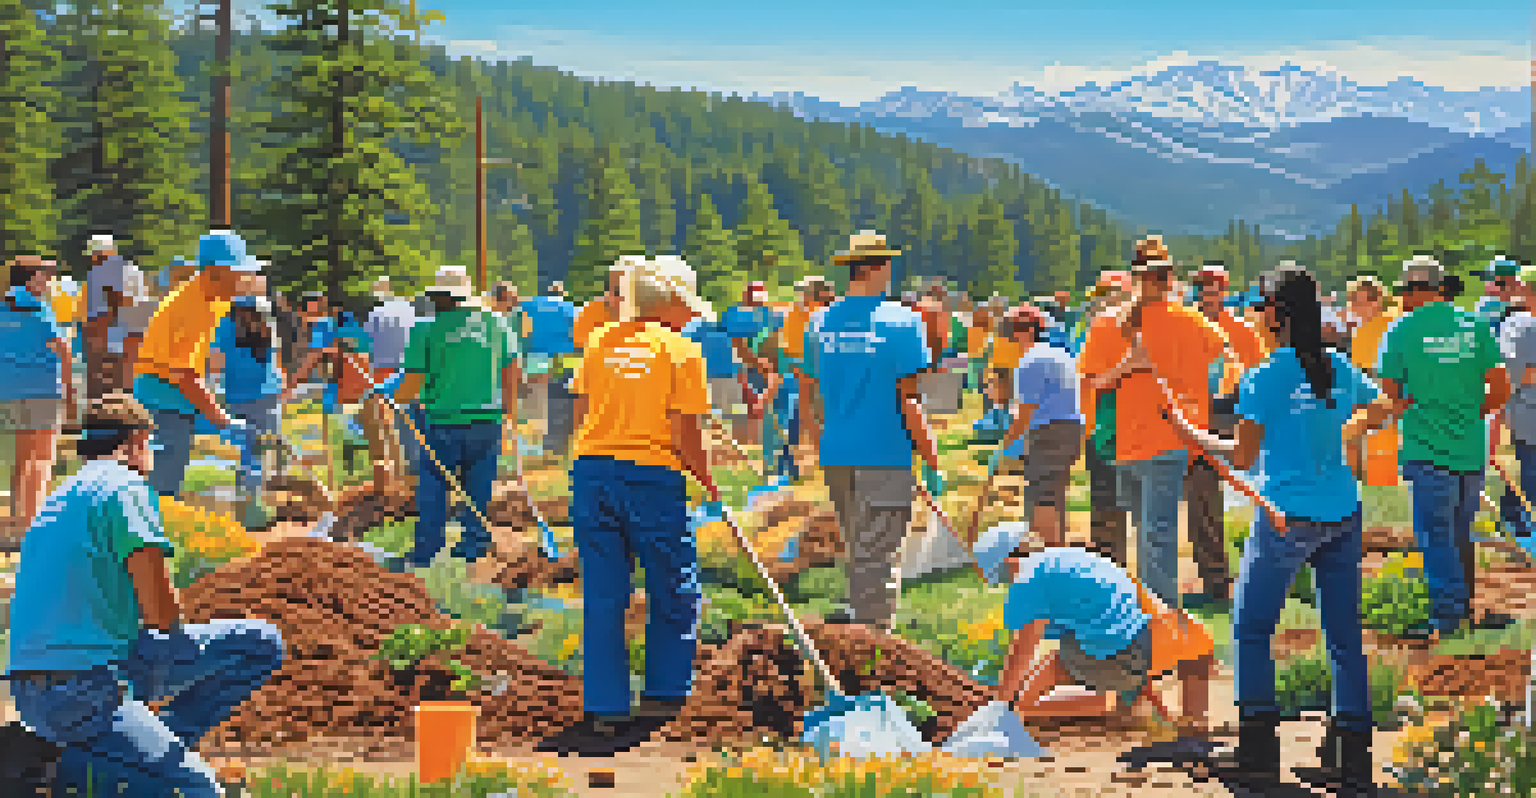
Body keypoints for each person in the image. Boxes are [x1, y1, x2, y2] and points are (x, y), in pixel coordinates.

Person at [4, 393, 284, 796]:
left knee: (254, 643)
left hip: (32, 691)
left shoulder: (60, 497)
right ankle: (86, 769)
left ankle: (130, 757)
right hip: (86, 688)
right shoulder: (126, 487)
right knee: (202, 791)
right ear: (136, 441)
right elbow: (161, 615)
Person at [1184, 264, 1390, 794]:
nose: (1254, 315)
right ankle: (1353, 762)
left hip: (1286, 516)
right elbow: (1383, 408)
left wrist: (1198, 438)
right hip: (1343, 512)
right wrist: (1350, 429)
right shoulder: (1337, 365)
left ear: (1275, 313)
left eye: (1258, 306)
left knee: (1252, 629)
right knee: (1345, 638)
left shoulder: (1268, 375)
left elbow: (1245, 453)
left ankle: (1256, 755)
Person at [543, 255, 718, 755]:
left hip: (593, 474)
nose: (692, 316)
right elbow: (686, 433)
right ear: (669, 303)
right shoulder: (682, 352)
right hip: (652, 478)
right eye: (688, 306)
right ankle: (665, 695)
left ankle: (604, 707)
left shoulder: (600, 343)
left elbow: (582, 411)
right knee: (674, 586)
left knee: (604, 594)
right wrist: (708, 481)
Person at [1077, 236, 1227, 607]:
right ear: (1170, 277)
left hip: (1123, 444)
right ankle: (1160, 619)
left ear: (1134, 277)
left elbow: (1092, 378)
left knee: (1141, 531)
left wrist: (1127, 368)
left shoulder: (1107, 323)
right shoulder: (1189, 320)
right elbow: (1220, 351)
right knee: (1157, 534)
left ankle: (1143, 611)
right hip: (1170, 440)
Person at [802, 231, 937, 631]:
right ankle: (871, 650)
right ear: (880, 268)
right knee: (879, 556)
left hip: (838, 452)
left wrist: (820, 441)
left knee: (859, 549)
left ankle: (857, 625)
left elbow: (811, 395)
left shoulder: (819, 320)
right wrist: (931, 460)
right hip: (886, 453)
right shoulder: (903, 321)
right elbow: (909, 400)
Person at [1377, 254, 1510, 636]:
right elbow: (1500, 388)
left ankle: (1447, 616)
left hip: (1427, 449)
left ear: (1418, 290)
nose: (1401, 298)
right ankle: (1465, 606)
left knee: (1436, 536)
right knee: (1458, 532)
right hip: (1471, 448)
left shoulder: (1402, 330)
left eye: (1404, 290)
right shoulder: (1474, 324)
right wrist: (1470, 412)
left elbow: (1390, 395)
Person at [995, 546, 1214, 736]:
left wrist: (1001, 703)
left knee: (1055, 663)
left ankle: (1013, 713)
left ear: (1008, 562)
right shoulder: (1074, 560)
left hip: (1132, 654)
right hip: (1175, 643)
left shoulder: (1030, 578)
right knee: (1109, 650)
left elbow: (1022, 650)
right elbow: (1140, 628)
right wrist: (1164, 708)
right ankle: (1182, 718)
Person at [392, 265, 519, 572]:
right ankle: (472, 547)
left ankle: (427, 551)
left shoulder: (426, 329)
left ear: (439, 297)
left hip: (442, 422)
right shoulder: (496, 323)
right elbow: (511, 369)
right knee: (478, 487)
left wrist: (394, 400)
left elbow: (411, 383)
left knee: (434, 487)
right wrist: (509, 412)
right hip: (487, 421)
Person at [132, 231, 263, 498]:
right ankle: (149, 530)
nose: (243, 278)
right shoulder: (188, 308)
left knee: (173, 464)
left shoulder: (212, 297)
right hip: (162, 397)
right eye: (238, 272)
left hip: (173, 393)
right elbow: (184, 376)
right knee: (165, 470)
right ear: (216, 272)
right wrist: (220, 417)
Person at [1184, 262, 1267, 607]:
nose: (1208, 293)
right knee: (1201, 500)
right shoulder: (1185, 326)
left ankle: (1266, 573)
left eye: (1214, 287)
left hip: (1236, 417)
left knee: (1259, 494)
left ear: (1224, 290)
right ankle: (1216, 582)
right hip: (1198, 420)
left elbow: (1262, 373)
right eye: (1202, 287)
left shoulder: (1243, 330)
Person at [995, 303, 1084, 547]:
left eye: (1009, 333)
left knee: (1041, 495)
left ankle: (1046, 556)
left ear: (1023, 333)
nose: (1007, 340)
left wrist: (1006, 445)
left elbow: (1024, 413)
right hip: (1072, 429)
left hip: (1049, 431)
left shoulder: (1030, 362)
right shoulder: (1060, 354)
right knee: (1054, 495)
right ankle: (1056, 551)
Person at [0, 256, 75, 541]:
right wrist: (69, 393)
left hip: (7, 391)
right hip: (42, 391)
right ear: (31, 279)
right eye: (45, 275)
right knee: (41, 459)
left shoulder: (3, 306)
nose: (49, 281)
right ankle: (31, 526)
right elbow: (64, 352)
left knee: (20, 462)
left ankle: (18, 523)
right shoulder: (39, 309)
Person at [210, 295, 286, 529]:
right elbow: (277, 357)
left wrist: (214, 390)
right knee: (265, 454)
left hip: (238, 395)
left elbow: (215, 361)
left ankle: (248, 514)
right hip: (269, 395)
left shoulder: (225, 323)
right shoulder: (266, 319)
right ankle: (262, 509)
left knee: (245, 456)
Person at [1080, 270, 1134, 567]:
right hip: (1100, 424)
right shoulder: (1094, 328)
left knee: (1108, 502)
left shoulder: (1110, 328)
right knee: (1106, 501)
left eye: (1102, 296)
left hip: (1112, 427)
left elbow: (1093, 379)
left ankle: (1110, 570)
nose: (1096, 304)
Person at [362, 277, 417, 495]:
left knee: (383, 429)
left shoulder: (375, 315)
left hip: (383, 372)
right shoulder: (411, 312)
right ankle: (411, 480)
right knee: (409, 425)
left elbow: (366, 344)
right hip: (409, 371)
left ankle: (385, 484)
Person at [84, 234, 151, 401]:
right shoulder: (125, 270)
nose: (94, 261)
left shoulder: (116, 272)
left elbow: (121, 304)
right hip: (128, 327)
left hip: (123, 328)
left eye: (97, 256)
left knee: (119, 376)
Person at [521, 281, 578, 457]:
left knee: (530, 406)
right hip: (562, 359)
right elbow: (578, 331)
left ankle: (528, 447)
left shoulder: (528, 305)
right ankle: (555, 444)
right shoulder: (571, 308)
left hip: (533, 357)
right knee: (559, 402)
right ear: (562, 294)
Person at [723, 281, 781, 447]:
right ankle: (754, 444)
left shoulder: (770, 316)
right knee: (753, 408)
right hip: (748, 368)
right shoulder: (740, 316)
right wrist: (758, 362)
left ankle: (760, 444)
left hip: (763, 368)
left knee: (763, 408)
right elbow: (738, 346)